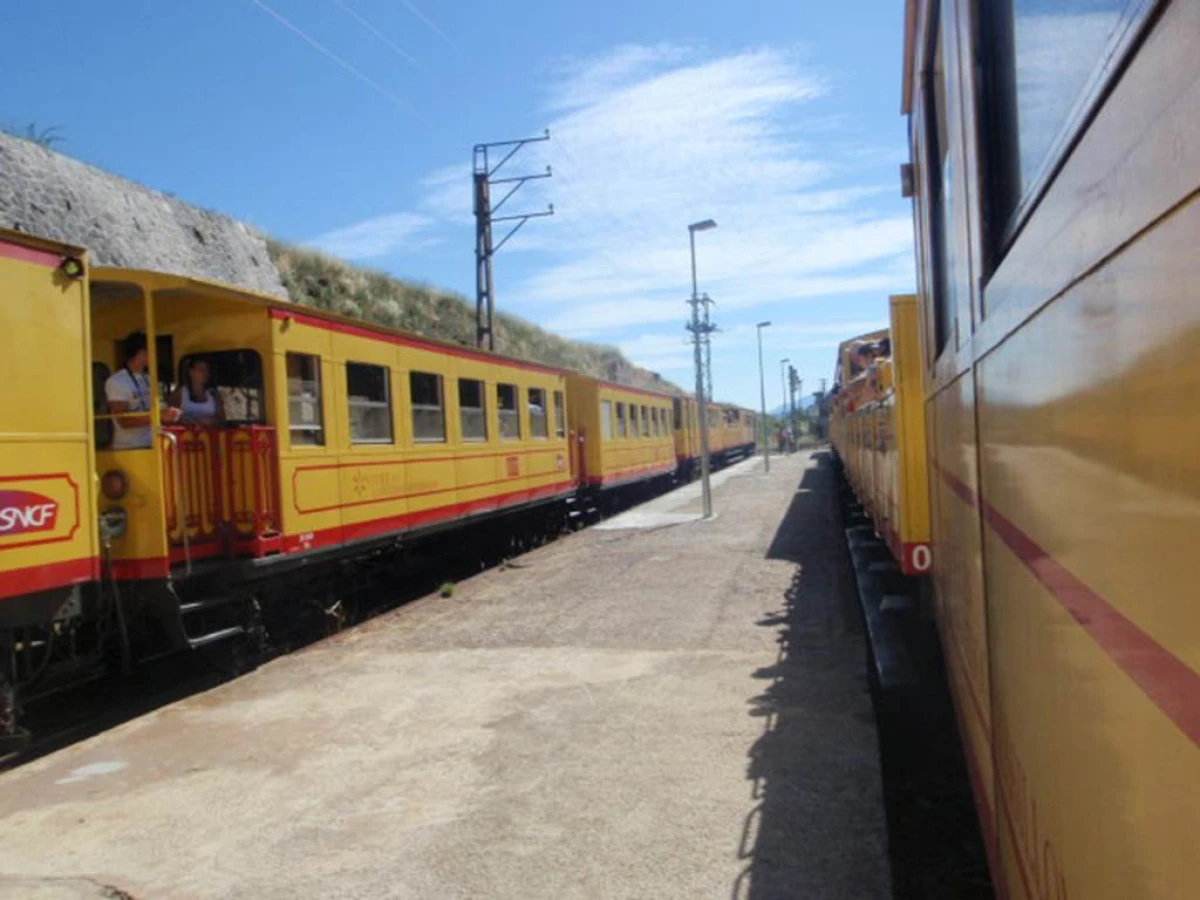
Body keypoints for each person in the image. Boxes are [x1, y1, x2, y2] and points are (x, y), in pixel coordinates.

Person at [104, 331, 181, 449]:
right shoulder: (116, 381)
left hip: (153, 444)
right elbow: (124, 421)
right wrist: (159, 416)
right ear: (141, 352)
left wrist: (170, 413)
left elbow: (158, 408)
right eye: (151, 350)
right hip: (130, 448)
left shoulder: (150, 379)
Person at [170, 357, 224, 427]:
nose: (205, 373)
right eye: (201, 369)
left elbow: (222, 420)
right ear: (191, 372)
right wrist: (187, 420)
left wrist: (210, 421)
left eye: (207, 370)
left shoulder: (214, 394)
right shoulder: (180, 393)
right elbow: (170, 418)